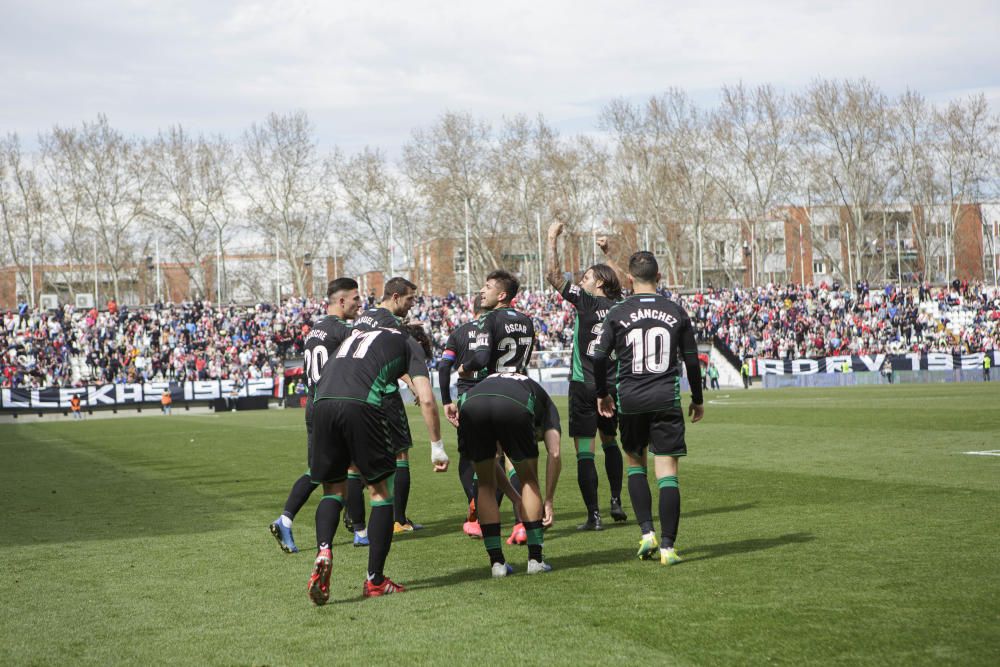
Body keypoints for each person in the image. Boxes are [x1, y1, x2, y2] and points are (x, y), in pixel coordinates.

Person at [307, 324, 436, 603]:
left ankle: (324, 549)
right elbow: (426, 398)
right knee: (380, 493)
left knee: (333, 490)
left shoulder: (360, 335)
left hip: (321, 403)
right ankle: (375, 580)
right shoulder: (409, 343)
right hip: (360, 404)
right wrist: (437, 446)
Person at [593, 251, 705, 566]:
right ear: (659, 277)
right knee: (667, 474)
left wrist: (602, 393)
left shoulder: (618, 312)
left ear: (629, 279)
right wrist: (697, 398)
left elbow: (599, 357)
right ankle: (668, 548)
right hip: (665, 399)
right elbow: (693, 360)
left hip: (630, 400)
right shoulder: (676, 311)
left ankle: (646, 533)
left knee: (636, 467)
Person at [546, 217, 626, 531]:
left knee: (584, 452)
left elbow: (552, 275)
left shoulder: (585, 301)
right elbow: (623, 278)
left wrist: (552, 238)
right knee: (611, 442)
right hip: (612, 387)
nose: (582, 279)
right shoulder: (621, 305)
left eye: (587, 276)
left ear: (599, 283)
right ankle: (617, 500)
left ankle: (594, 516)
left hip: (584, 386)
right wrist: (609, 253)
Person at [270, 278, 360, 554]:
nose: (359, 304)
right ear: (341, 301)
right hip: (336, 405)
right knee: (357, 466)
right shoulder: (345, 330)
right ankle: (360, 529)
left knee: (323, 471)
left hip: (315, 404)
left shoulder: (314, 330)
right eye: (356, 299)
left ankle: (290, 520)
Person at [353, 277, 448, 534]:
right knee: (400, 454)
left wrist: (409, 383)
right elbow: (393, 359)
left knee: (360, 460)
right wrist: (415, 384)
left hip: (356, 396)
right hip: (383, 394)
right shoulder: (392, 324)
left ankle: (355, 518)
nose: (411, 305)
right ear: (395, 297)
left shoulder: (363, 317)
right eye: (409, 299)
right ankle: (399, 520)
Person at [456, 372, 561, 577]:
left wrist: (515, 498)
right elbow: (555, 452)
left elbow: (492, 462)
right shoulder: (546, 402)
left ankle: (497, 564)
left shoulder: (493, 382)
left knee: (485, 484)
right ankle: (535, 560)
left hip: (470, 402)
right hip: (514, 405)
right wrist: (548, 501)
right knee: (529, 481)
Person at [460, 269, 536, 544]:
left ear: (502, 295)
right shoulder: (527, 321)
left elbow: (480, 358)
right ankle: (523, 524)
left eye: (488, 286)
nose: (482, 290)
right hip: (520, 392)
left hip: (492, 395)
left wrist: (464, 367)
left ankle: (483, 523)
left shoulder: (489, 319)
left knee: (488, 463)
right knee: (518, 461)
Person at [439, 295, 488, 537]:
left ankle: (474, 501)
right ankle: (488, 507)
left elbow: (443, 366)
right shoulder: (496, 329)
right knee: (499, 456)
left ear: (473, 308)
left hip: (468, 398)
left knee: (467, 455)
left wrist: (447, 400)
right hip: (498, 394)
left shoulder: (459, 333)